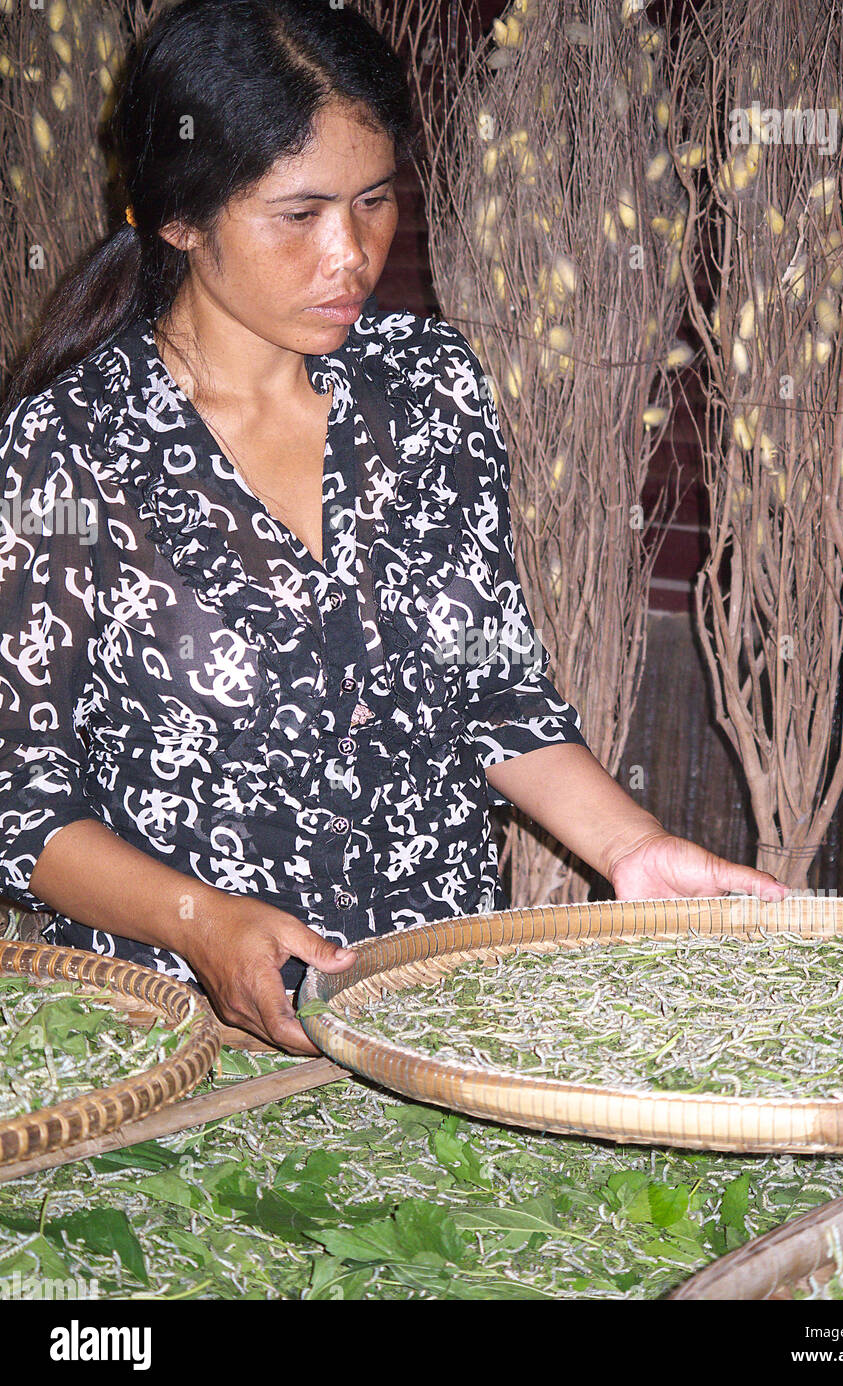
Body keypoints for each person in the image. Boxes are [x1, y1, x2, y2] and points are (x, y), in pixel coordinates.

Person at [0, 0, 788, 1056]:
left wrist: (634, 845)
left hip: (435, 1004)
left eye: (374, 201)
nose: (351, 256)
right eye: (299, 214)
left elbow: (492, 687)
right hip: (177, 1034)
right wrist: (204, 922)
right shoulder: (68, 447)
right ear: (178, 217)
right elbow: (22, 797)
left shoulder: (425, 387)